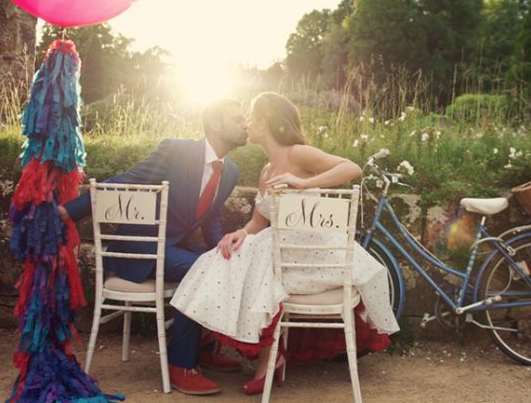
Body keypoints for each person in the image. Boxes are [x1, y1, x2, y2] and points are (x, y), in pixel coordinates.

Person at [170, 92, 400, 396]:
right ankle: (259, 357)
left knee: (258, 271)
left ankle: (261, 359)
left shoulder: (298, 154)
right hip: (282, 256)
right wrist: (242, 233)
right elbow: (257, 223)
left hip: (313, 258)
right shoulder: (266, 171)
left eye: (251, 116)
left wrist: (303, 183)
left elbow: (351, 168)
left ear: (265, 121)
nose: (248, 123)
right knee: (224, 259)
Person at [59, 99, 248, 396]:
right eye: (238, 119)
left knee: (222, 263)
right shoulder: (176, 150)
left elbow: (211, 219)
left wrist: (224, 251)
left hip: (174, 249)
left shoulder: (231, 170)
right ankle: (181, 364)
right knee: (199, 269)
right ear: (215, 124)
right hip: (142, 249)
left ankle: (204, 345)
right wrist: (70, 211)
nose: (245, 124)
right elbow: (126, 181)